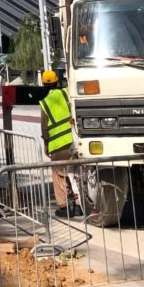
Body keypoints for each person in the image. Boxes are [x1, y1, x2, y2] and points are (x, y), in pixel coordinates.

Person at [40, 70, 82, 219]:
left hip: (57, 145)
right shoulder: (65, 93)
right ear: (57, 82)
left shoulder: (45, 103)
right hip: (72, 141)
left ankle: (64, 207)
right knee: (75, 173)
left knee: (59, 176)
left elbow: (45, 129)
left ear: (43, 84)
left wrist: (46, 144)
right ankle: (78, 205)